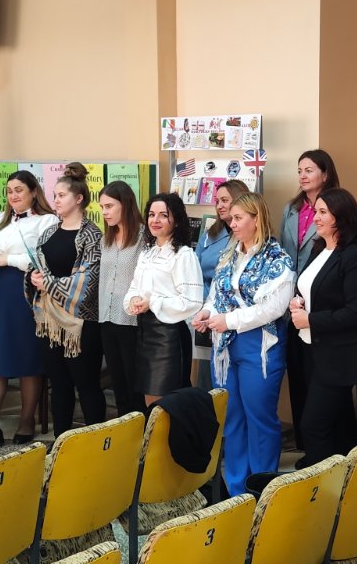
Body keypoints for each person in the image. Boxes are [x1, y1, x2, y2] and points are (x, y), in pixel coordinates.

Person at [194, 192, 294, 496]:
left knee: (259, 418)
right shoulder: (231, 254)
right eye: (232, 218)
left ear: (257, 219)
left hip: (259, 346)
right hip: (226, 347)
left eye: (238, 218)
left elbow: (273, 308)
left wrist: (229, 320)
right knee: (233, 417)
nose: (232, 223)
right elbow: (217, 293)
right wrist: (207, 312)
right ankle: (238, 490)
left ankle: (261, 489)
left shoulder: (277, 259)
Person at [0, 170, 55, 455]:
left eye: (19, 189)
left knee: (27, 357)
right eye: (9, 191)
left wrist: (7, 259)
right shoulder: (0, 218)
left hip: (26, 292)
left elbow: (42, 260)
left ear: (33, 191)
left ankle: (26, 421)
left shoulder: (47, 220)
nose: (13, 195)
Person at [289, 188, 357, 463]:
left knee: (313, 426)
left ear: (341, 217)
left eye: (323, 212)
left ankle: (320, 484)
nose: (316, 217)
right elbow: (314, 290)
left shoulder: (354, 256)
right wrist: (298, 302)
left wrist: (310, 319)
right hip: (312, 349)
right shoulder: (319, 249)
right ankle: (340, 479)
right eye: (316, 211)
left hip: (338, 356)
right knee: (336, 425)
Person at [28, 163, 104, 436]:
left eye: (61, 195)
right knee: (58, 384)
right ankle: (61, 441)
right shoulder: (49, 232)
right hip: (49, 321)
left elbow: (87, 282)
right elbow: (38, 265)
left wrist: (47, 282)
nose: (55, 200)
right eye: (54, 195)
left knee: (86, 384)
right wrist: (33, 277)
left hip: (81, 323)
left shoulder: (92, 235)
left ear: (79, 198)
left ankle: (95, 444)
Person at [279, 149, 340, 454]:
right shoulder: (291, 210)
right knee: (297, 372)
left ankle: (323, 448)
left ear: (325, 174)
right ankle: (304, 446)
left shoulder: (336, 207)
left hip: (323, 299)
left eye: (309, 170)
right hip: (292, 300)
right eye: (299, 170)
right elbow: (283, 252)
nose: (303, 176)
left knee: (320, 378)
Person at [127, 192, 206, 406]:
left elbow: (191, 302)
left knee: (165, 404)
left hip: (169, 337)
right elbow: (134, 287)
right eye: (152, 214)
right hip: (145, 332)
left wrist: (152, 302)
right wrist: (134, 299)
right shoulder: (147, 254)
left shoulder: (183, 255)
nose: (155, 220)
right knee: (150, 401)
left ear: (177, 220)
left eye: (163, 215)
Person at [196, 179, 252, 387]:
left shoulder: (250, 237)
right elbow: (196, 269)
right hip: (207, 312)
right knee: (208, 377)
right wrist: (205, 304)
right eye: (217, 201)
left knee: (231, 384)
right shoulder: (210, 234)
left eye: (225, 200)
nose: (219, 205)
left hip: (238, 318)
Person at [97, 180, 144, 415]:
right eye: (102, 207)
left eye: (109, 206)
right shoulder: (106, 239)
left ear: (124, 204)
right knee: (116, 380)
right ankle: (123, 428)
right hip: (106, 318)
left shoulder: (144, 237)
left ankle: (141, 427)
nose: (104, 212)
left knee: (134, 379)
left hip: (131, 320)